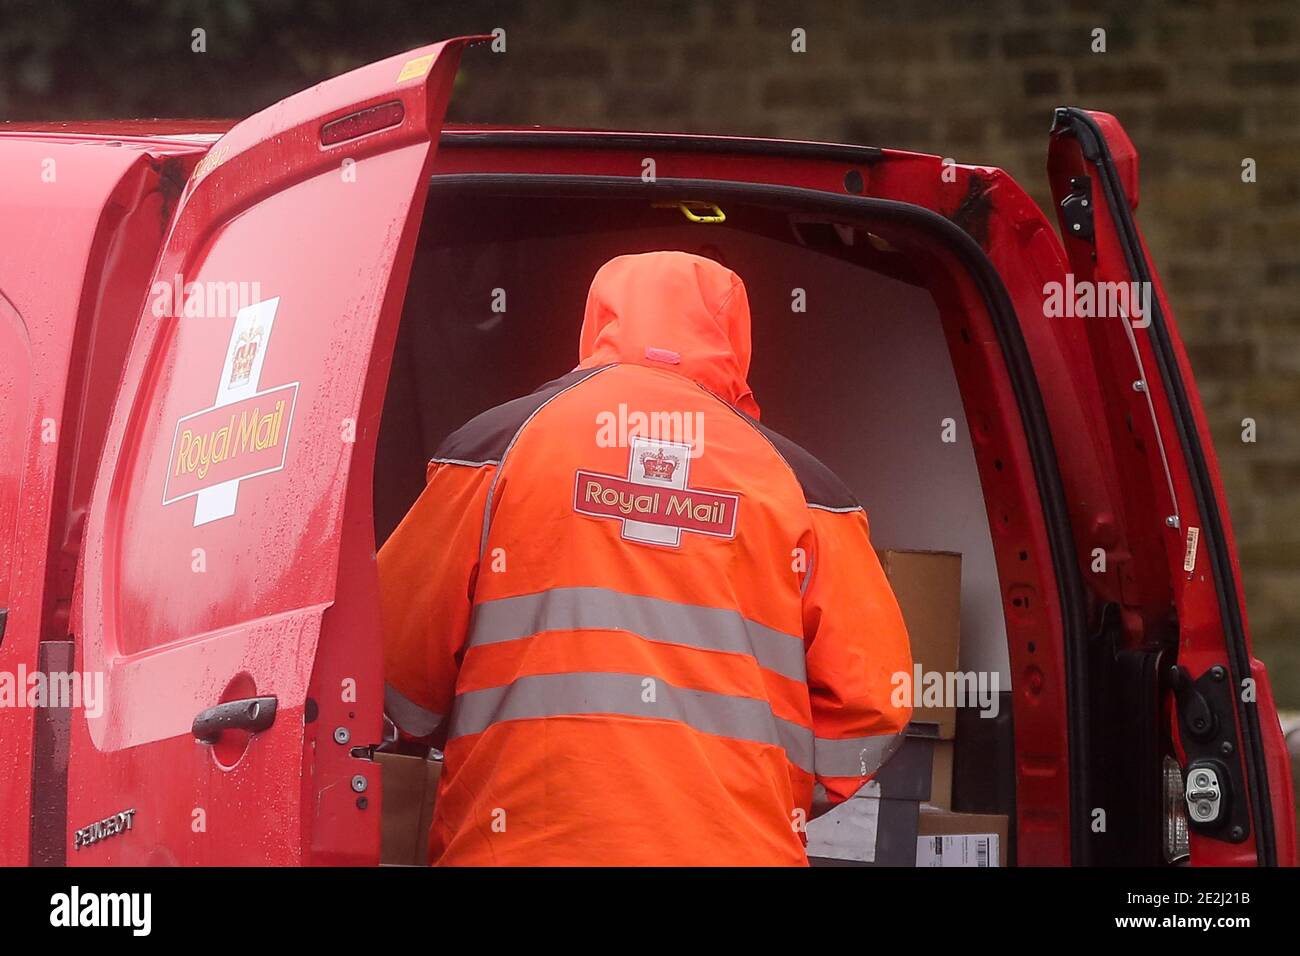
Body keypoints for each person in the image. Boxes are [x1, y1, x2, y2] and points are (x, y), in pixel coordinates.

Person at [379, 250, 912, 865]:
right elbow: (873, 706)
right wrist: (769, 791)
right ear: (736, 338)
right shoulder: (806, 492)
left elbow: (394, 663)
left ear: (598, 321)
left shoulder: (495, 453)